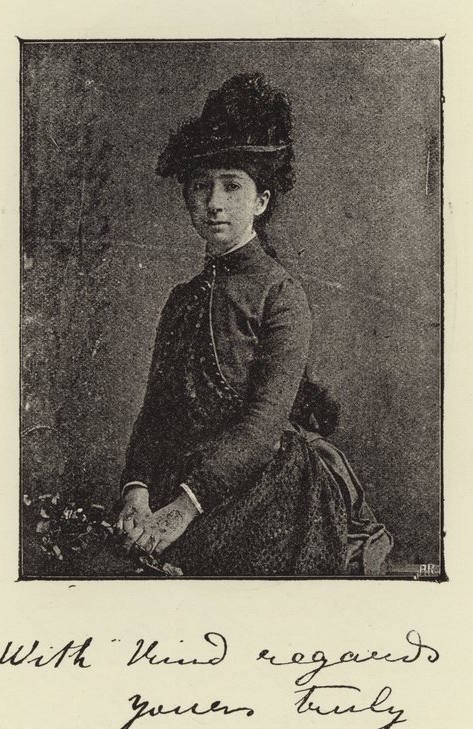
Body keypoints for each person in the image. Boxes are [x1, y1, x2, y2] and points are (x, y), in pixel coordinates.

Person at [116, 73, 393, 576]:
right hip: (183, 474)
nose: (214, 203)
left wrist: (182, 507)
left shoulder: (281, 295)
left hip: (268, 482)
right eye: (201, 187)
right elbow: (156, 413)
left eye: (231, 186)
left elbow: (261, 428)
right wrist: (137, 492)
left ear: (261, 201)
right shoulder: (182, 300)